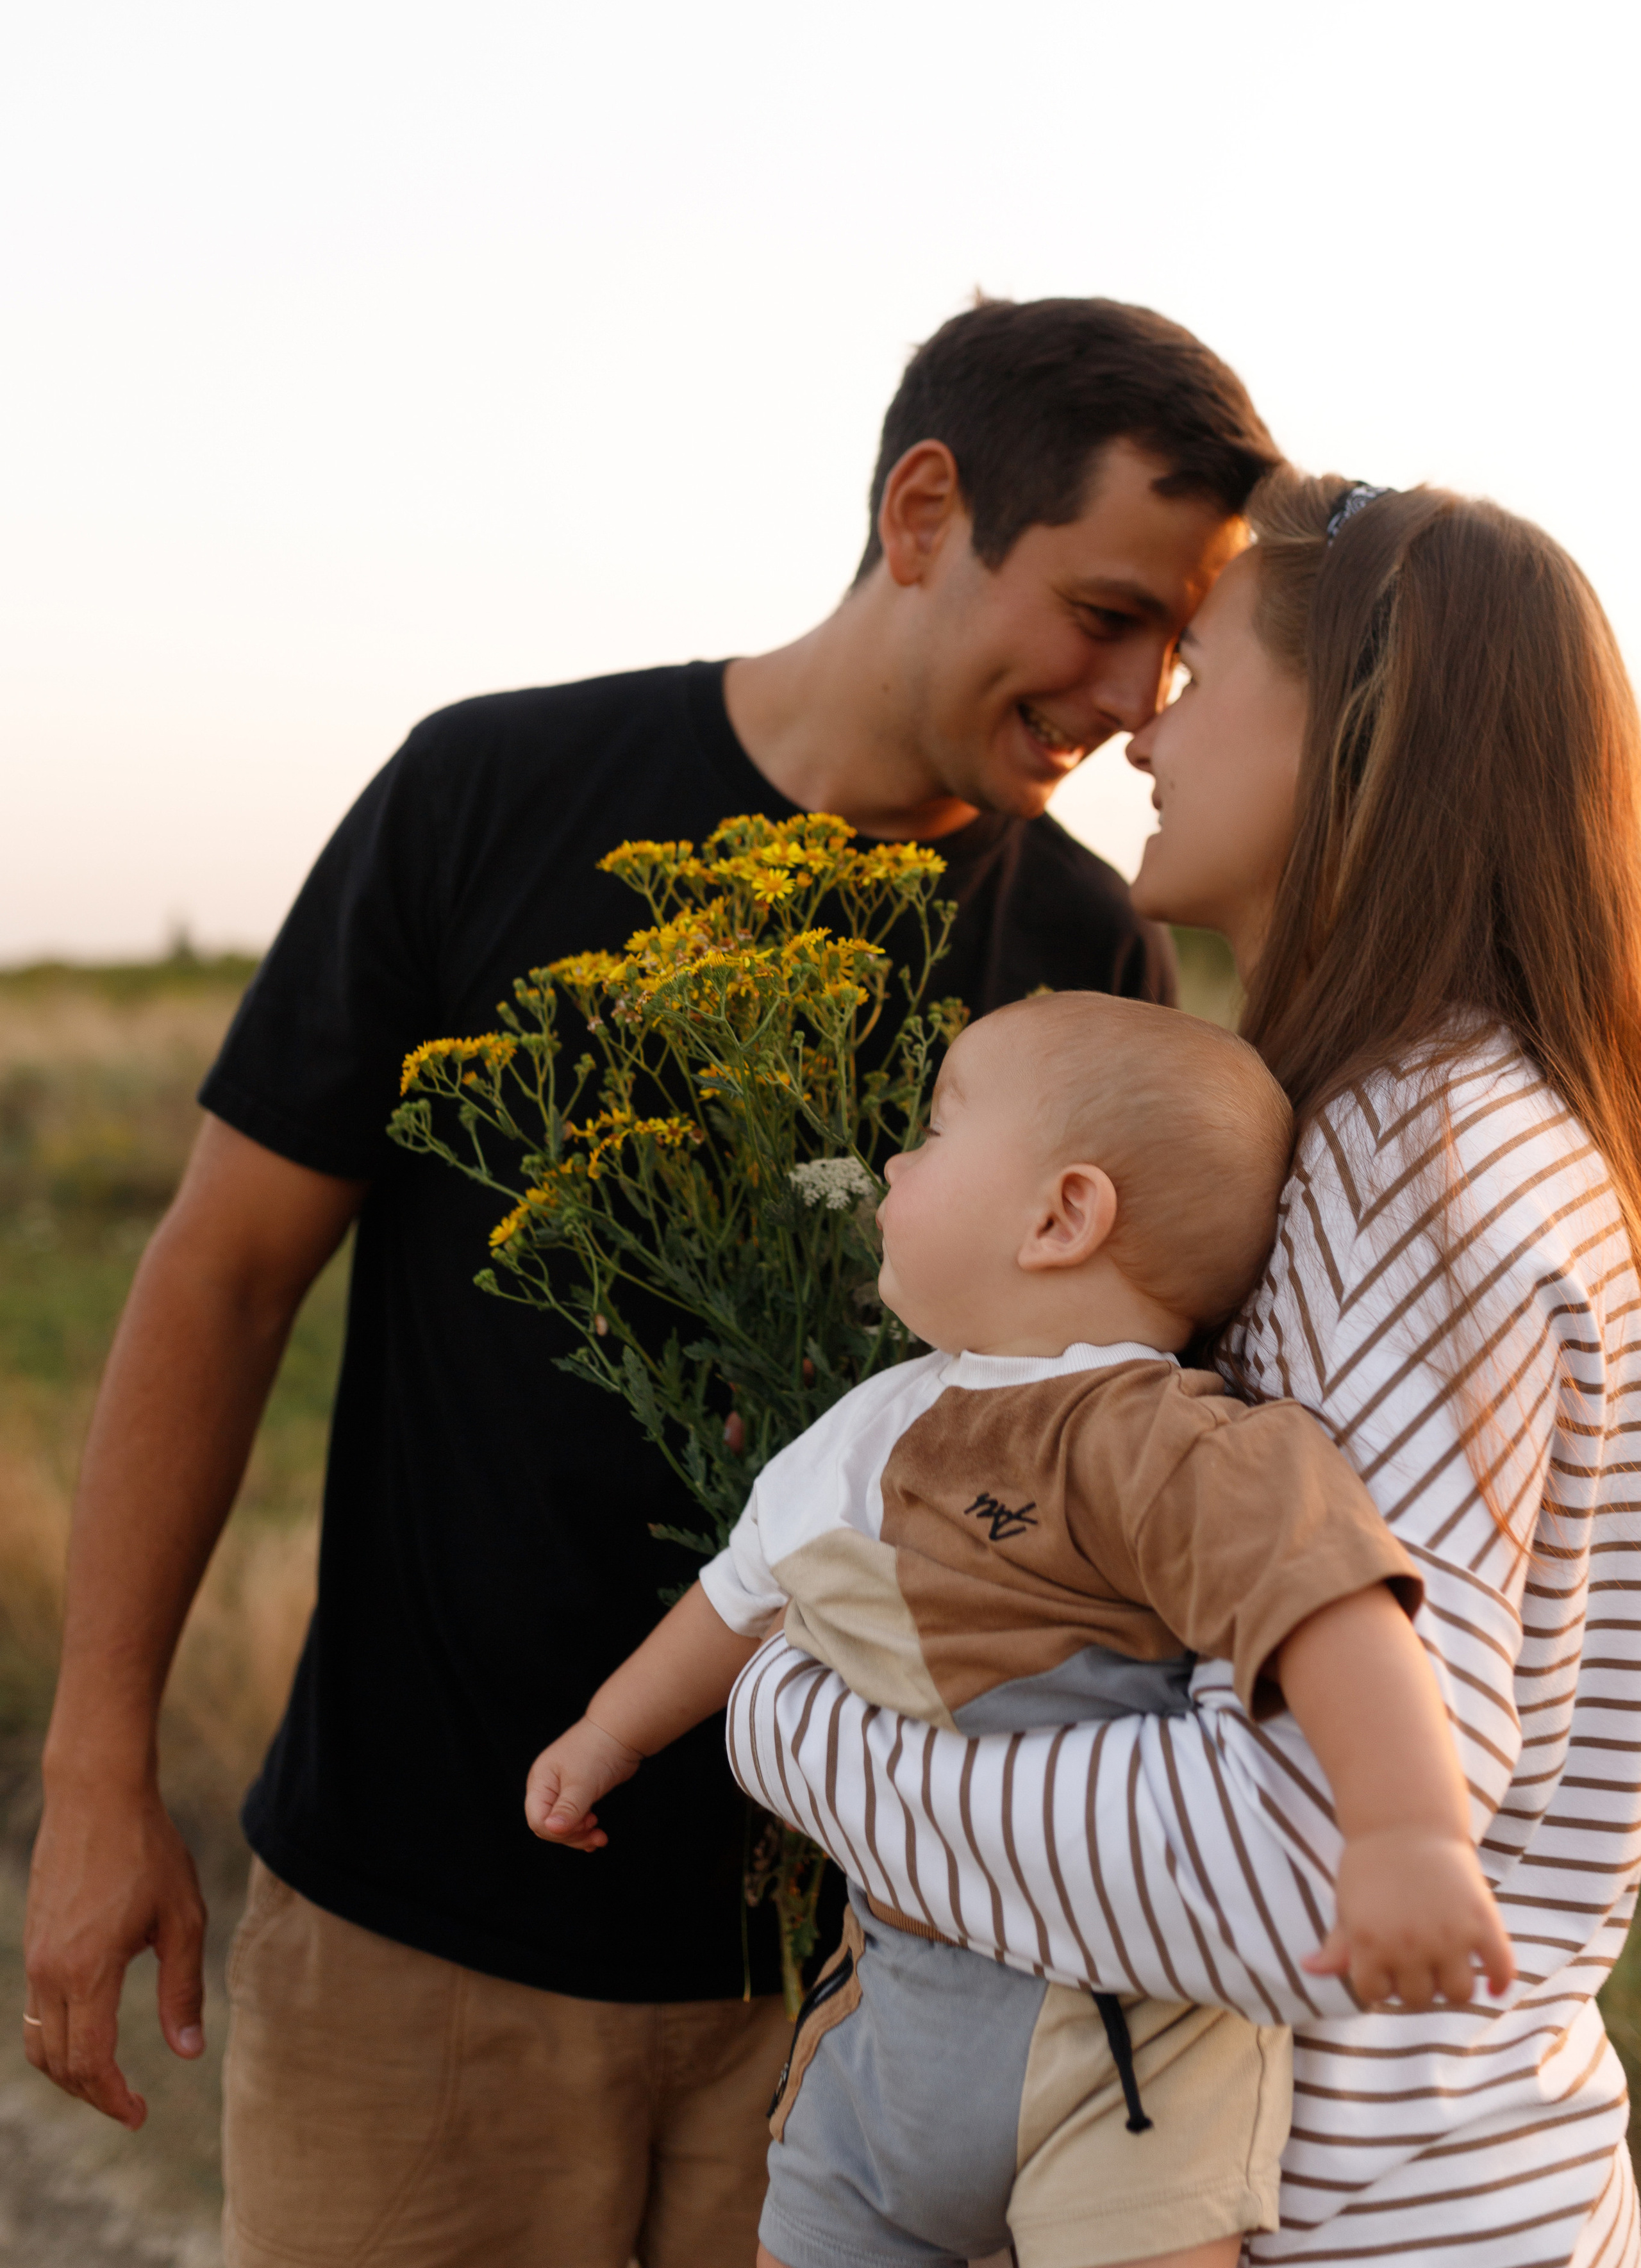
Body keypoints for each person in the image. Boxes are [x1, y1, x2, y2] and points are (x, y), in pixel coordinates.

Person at [22, 297, 1279, 2268]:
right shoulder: (486, 793)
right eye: (1107, 613)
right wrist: (99, 1766)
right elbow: (221, 1279)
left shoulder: (1084, 953)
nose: (1133, 699)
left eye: (1176, 651)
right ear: (926, 512)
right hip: (421, 1949)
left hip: (860, 2007)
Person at [733, 470, 1641, 2267]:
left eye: (1202, 675)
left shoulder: (1414, 1163)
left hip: (1378, 2221)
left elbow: (1294, 1862)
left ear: (1359, 737)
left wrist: (789, 1715)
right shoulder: (1438, 1125)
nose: (1144, 731)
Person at [526, 991, 1513, 2268]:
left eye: (935, 1134)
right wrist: (610, 1734)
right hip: (893, 2012)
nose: (893, 1164)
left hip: (1130, 2044)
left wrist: (1404, 1835)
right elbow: (739, 1594)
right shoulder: (874, 1422)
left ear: (1061, 1217)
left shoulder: (1158, 1438)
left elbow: (1326, 1602)